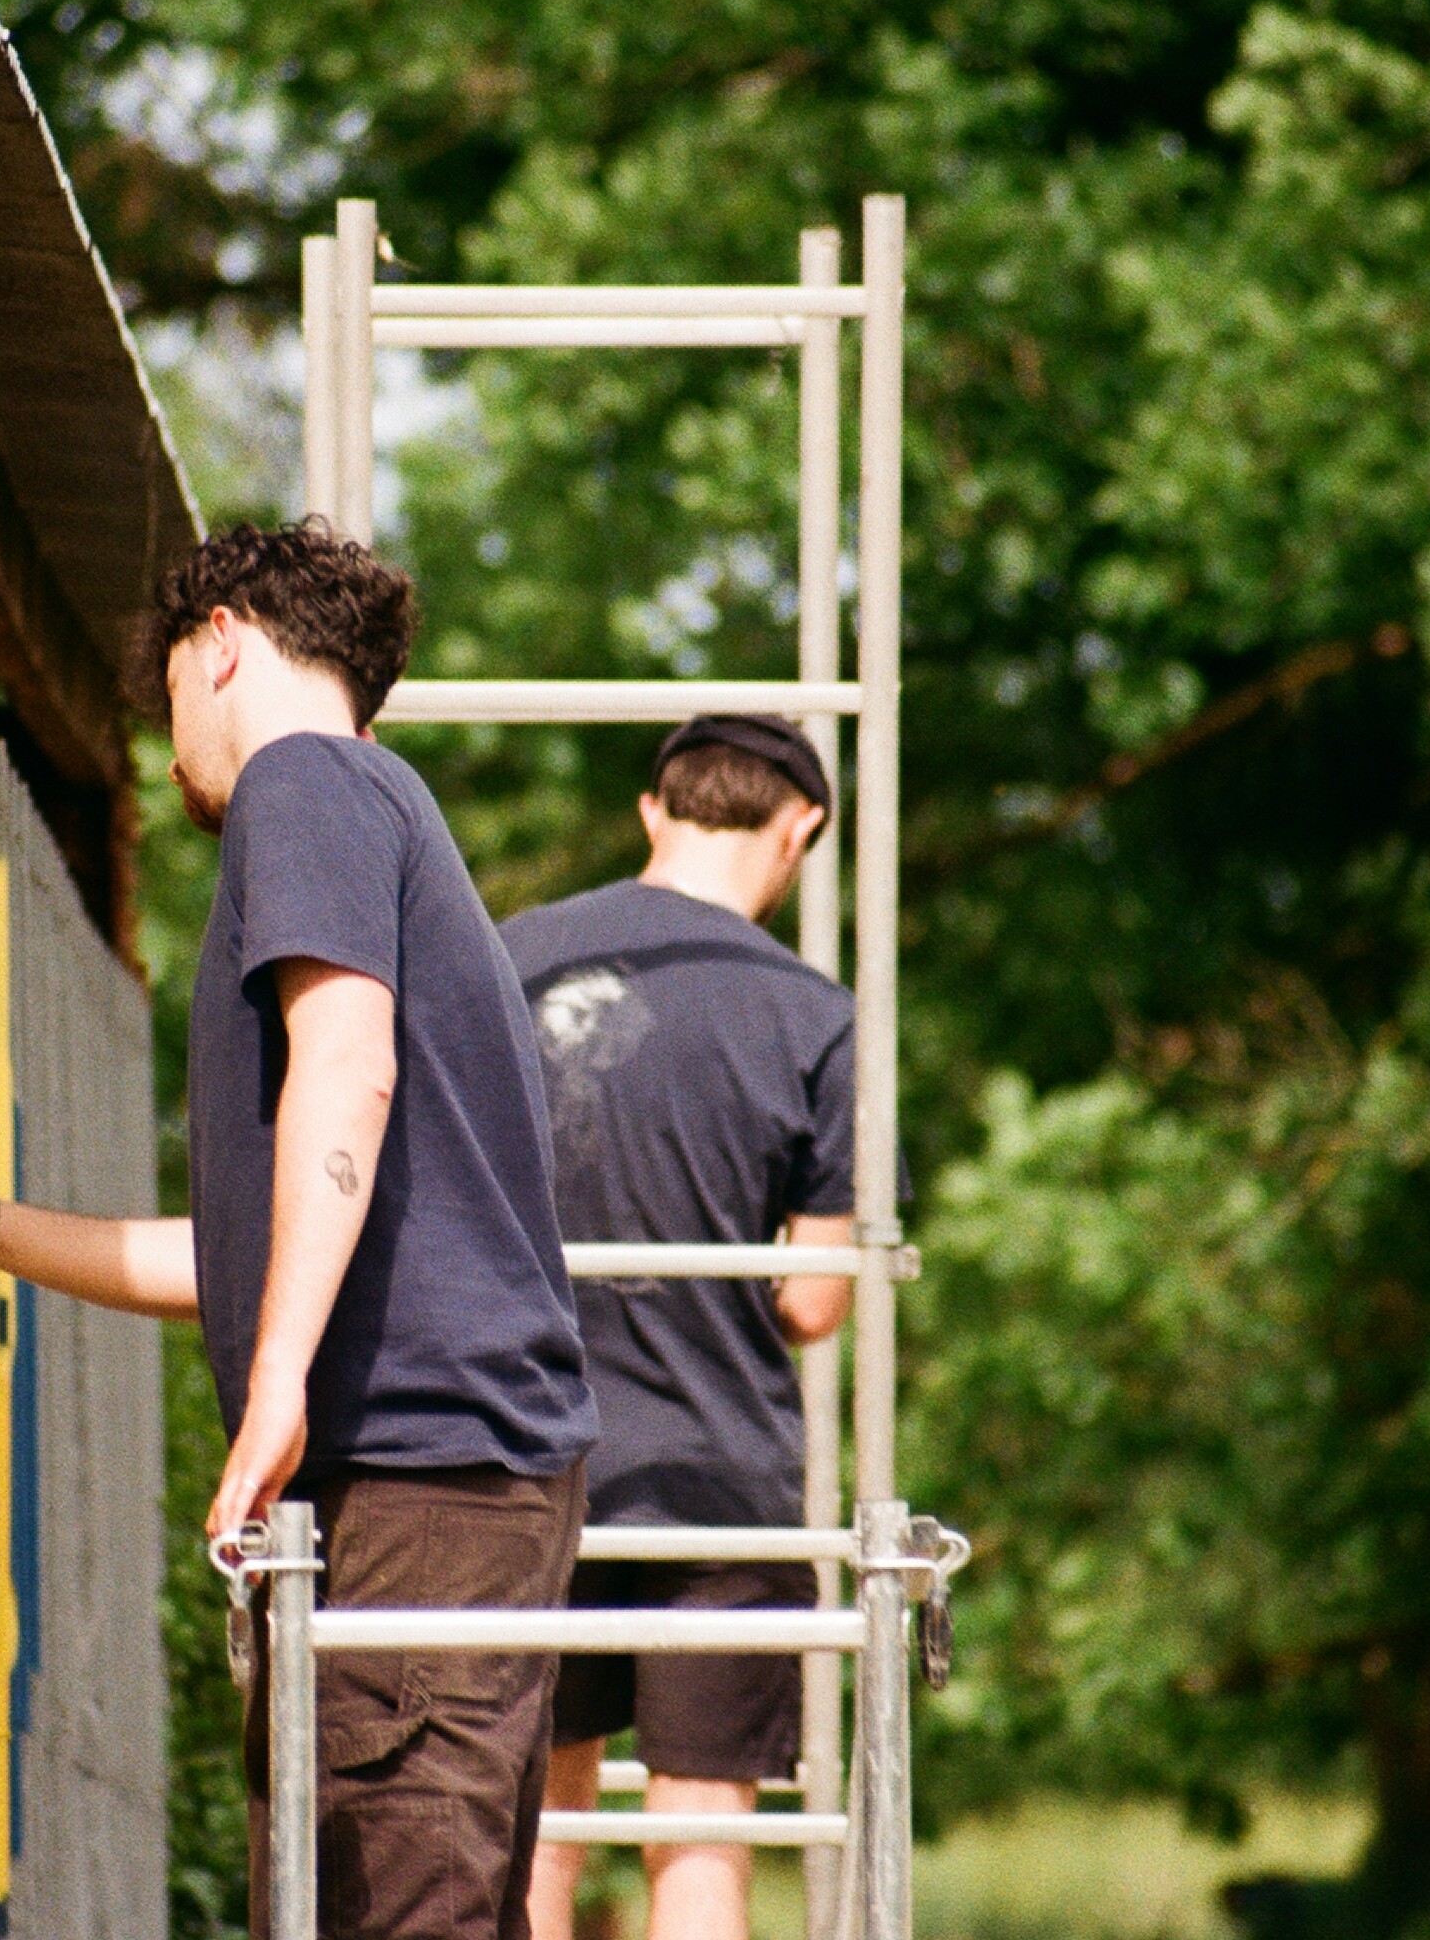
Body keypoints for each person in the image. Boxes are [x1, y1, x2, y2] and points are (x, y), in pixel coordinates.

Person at [0, 520, 598, 1940]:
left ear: (222, 643)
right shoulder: (382, 814)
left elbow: (346, 1062)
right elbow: (263, 1246)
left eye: (165, 694)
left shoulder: (307, 779)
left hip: (416, 1486)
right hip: (456, 1489)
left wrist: (279, 1384)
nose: (166, 752)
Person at [500, 715, 872, 1940]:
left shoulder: (510, 962)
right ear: (798, 828)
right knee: (701, 1844)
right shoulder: (816, 1015)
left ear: (653, 811)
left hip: (524, 1451)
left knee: (534, 1836)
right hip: (718, 1477)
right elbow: (814, 1297)